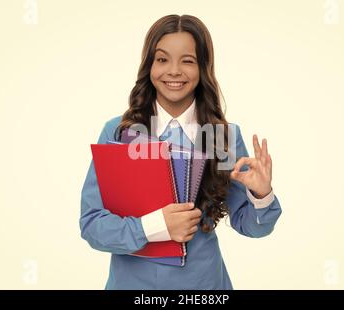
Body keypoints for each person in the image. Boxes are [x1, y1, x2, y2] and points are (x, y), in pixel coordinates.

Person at [80, 14, 282, 290]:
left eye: (187, 60)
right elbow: (92, 226)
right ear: (149, 65)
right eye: (162, 59)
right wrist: (154, 227)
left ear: (203, 68)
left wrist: (261, 195)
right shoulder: (118, 132)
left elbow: (253, 226)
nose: (174, 71)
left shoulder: (221, 137)